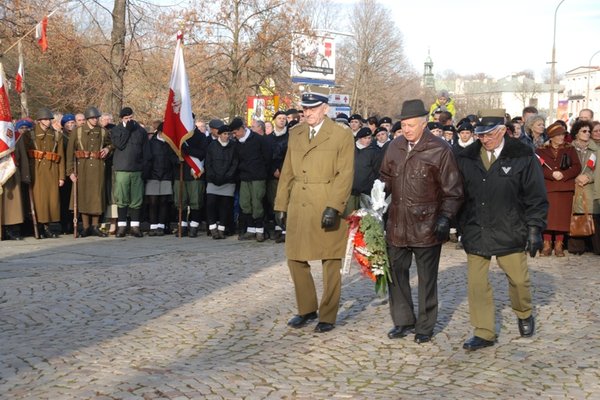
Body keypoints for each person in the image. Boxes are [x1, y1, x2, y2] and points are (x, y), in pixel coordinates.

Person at [456, 110, 548, 351]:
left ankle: (524, 312)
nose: (483, 139)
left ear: (502, 131)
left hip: (511, 227)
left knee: (518, 281)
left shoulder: (522, 155)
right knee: (477, 284)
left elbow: (536, 195)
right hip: (477, 228)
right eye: (479, 135)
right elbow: (458, 194)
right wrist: (455, 222)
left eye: (487, 135)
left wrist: (535, 228)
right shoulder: (466, 157)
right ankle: (484, 331)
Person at [379, 99, 463, 344]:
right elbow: (384, 177)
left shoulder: (440, 149)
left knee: (427, 279)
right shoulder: (394, 147)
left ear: (424, 124)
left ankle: (425, 326)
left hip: (427, 224)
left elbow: (453, 189)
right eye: (403, 125)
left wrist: (446, 217)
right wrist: (377, 197)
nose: (406, 129)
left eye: (411, 125)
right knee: (396, 274)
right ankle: (403, 321)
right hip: (397, 222)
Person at [274, 91, 354, 333]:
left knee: (330, 260)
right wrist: (281, 204)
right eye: (305, 108)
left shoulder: (341, 134)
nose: (307, 112)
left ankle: (327, 315)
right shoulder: (296, 133)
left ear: (325, 109)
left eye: (313, 108)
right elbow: (287, 171)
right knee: (295, 257)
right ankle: (307, 308)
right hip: (299, 203)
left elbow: (345, 174)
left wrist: (334, 205)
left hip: (326, 201)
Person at [535, 122, 581, 256]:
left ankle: (559, 244)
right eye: (558, 135)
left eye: (563, 134)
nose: (562, 137)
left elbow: (577, 166)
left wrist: (565, 174)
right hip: (548, 187)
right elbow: (537, 167)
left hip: (565, 187)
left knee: (562, 217)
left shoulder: (570, 149)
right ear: (551, 137)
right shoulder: (540, 151)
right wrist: (551, 174)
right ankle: (547, 243)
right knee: (547, 217)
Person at [66, 107, 112, 237]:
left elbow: (111, 144)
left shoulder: (103, 131)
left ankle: (95, 226)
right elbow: (70, 152)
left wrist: (108, 149)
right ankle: (86, 227)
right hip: (82, 167)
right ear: (87, 119)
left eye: (96, 117)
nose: (95, 120)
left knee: (96, 196)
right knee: (84, 196)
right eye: (92, 118)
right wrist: (70, 171)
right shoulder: (77, 132)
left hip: (98, 167)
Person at [23, 108, 65, 238]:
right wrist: (26, 174)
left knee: (52, 200)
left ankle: (48, 227)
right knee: (38, 200)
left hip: (52, 170)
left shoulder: (57, 135)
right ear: (39, 120)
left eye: (49, 119)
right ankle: (39, 227)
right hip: (36, 170)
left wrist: (61, 176)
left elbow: (61, 156)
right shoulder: (29, 134)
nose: (48, 122)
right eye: (46, 119)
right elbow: (24, 155)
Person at [111, 107, 151, 238]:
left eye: (131, 118)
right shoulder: (116, 130)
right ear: (121, 119)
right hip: (122, 169)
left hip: (137, 169)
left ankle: (135, 226)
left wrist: (145, 168)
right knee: (122, 199)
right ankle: (121, 227)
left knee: (136, 199)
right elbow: (120, 144)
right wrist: (127, 130)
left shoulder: (140, 131)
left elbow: (146, 151)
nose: (129, 120)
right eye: (126, 118)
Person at [231, 117, 271, 242]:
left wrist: (263, 172)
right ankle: (251, 229)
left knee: (257, 202)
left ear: (242, 129)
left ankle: (260, 230)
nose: (234, 135)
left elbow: (267, 157)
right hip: (244, 177)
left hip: (258, 177)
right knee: (245, 204)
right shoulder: (237, 143)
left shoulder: (258, 139)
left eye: (235, 132)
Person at [570, 120, 600, 254]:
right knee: (575, 214)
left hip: (590, 186)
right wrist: (575, 177)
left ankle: (595, 246)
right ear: (576, 133)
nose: (588, 134)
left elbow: (597, 169)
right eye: (584, 131)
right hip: (574, 185)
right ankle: (577, 247)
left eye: (589, 131)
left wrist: (589, 177)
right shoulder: (568, 148)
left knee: (593, 215)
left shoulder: (596, 150)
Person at [144, 123, 178, 236]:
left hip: (166, 175)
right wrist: (148, 174)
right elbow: (148, 159)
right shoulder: (151, 143)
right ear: (159, 132)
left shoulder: (169, 144)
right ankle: (153, 226)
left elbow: (172, 158)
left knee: (164, 201)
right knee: (153, 202)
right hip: (153, 176)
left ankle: (161, 225)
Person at [205, 124, 238, 239]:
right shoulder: (212, 145)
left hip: (228, 181)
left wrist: (228, 176)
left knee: (226, 206)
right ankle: (212, 227)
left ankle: (222, 229)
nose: (227, 136)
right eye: (224, 134)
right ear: (219, 134)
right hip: (213, 180)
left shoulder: (233, 146)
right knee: (211, 204)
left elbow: (235, 163)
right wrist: (212, 176)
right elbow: (208, 163)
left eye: (228, 134)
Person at [1, 120, 30, 240]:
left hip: (12, 174)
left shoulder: (15, 136)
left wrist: (26, 176)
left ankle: (12, 229)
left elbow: (22, 157)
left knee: (12, 206)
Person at [345, 127, 382, 214]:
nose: (368, 140)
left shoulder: (374, 152)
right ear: (359, 138)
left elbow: (377, 171)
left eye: (369, 138)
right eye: (365, 138)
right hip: (350, 190)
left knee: (365, 216)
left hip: (366, 192)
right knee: (350, 216)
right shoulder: (351, 149)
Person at [265, 111, 289, 242]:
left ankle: (285, 228)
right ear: (274, 120)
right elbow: (266, 157)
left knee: (286, 201)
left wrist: (282, 170)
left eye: (284, 119)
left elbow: (289, 156)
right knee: (274, 201)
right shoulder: (268, 138)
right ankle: (277, 227)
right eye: (279, 118)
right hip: (272, 175)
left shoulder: (289, 137)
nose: (282, 120)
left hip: (286, 174)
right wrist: (273, 170)